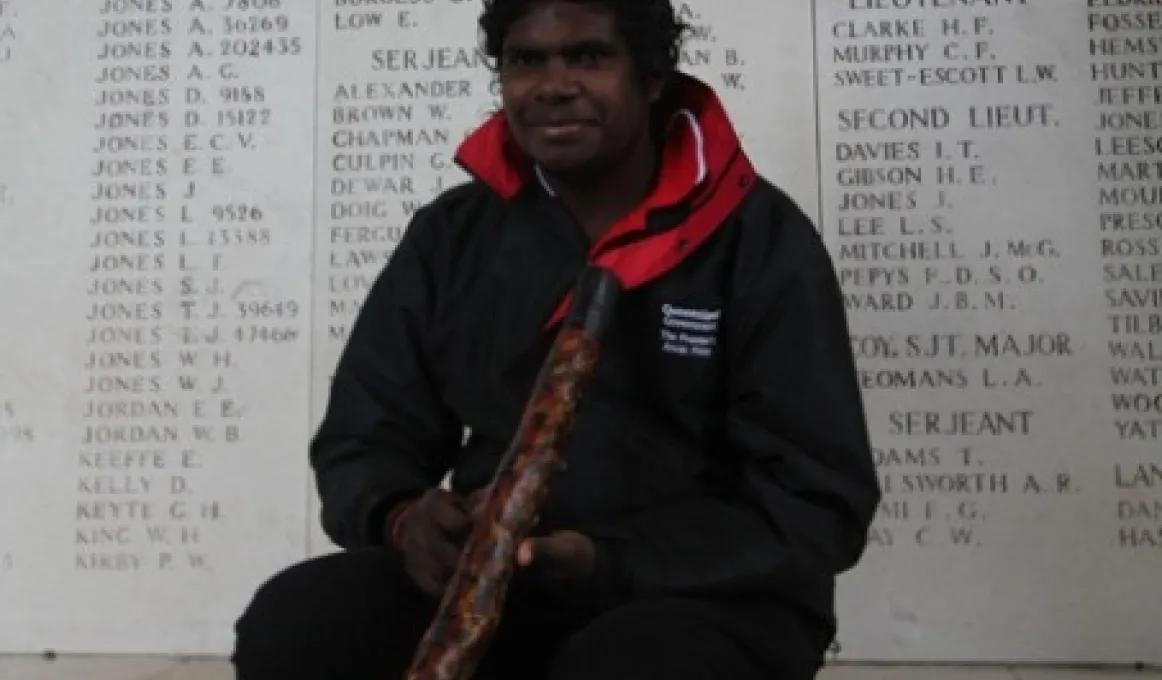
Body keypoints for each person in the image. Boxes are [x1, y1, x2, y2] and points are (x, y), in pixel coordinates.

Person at [230, 0, 881, 677]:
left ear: (652, 77)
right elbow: (364, 439)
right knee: (298, 624)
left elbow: (818, 502)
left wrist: (607, 560)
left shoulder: (761, 241)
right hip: (502, 580)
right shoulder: (450, 237)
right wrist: (405, 520)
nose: (553, 85)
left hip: (709, 596)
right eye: (525, 60)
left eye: (589, 56)